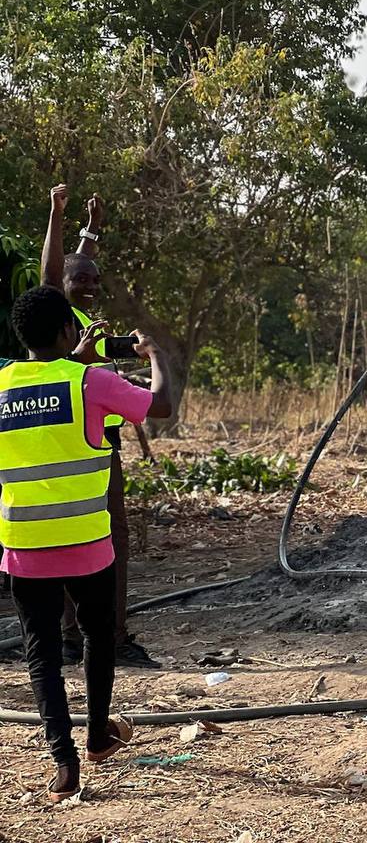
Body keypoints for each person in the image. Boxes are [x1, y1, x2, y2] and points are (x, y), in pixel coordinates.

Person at [0, 285, 171, 800]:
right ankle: (98, 737)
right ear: (68, 331)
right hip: (86, 541)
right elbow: (158, 406)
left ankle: (64, 763)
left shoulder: (2, 384)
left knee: (42, 654)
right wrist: (154, 354)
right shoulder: (90, 382)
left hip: (25, 542)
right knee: (97, 637)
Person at [40, 186, 158, 668]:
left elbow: (73, 271)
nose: (90, 285)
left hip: (84, 441)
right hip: (89, 447)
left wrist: (90, 229)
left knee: (79, 539)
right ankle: (111, 638)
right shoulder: (58, 316)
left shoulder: (81, 325)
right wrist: (57, 215)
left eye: (95, 280)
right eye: (83, 280)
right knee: (110, 539)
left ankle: (75, 637)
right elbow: (54, 275)